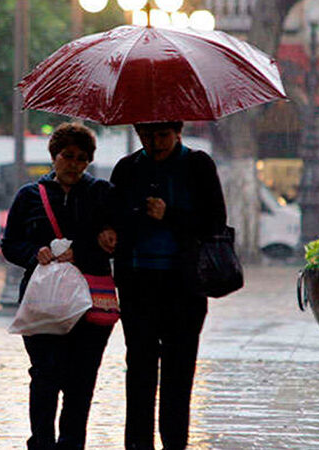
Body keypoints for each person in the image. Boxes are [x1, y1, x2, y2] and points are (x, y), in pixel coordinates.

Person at [109, 121, 227, 450]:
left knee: (179, 372)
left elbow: (215, 221)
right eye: (146, 135)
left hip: (184, 287)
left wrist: (170, 214)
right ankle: (137, 444)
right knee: (140, 371)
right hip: (138, 285)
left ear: (177, 131)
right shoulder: (127, 168)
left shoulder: (198, 165)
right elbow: (112, 216)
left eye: (161, 135)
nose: (154, 142)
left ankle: (175, 443)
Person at [1, 122, 117, 450]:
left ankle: (71, 444)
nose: (74, 164)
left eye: (82, 159)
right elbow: (10, 243)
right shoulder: (29, 196)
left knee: (81, 380)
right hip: (41, 302)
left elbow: (114, 240)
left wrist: (81, 249)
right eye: (68, 156)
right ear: (54, 156)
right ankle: (41, 442)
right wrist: (32, 253)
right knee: (45, 375)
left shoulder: (101, 194)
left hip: (89, 302)